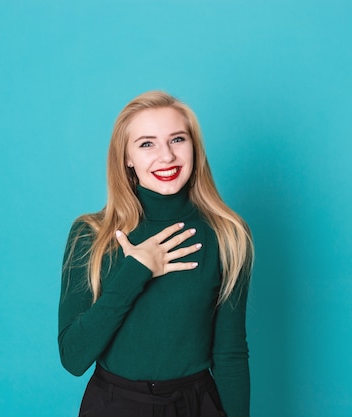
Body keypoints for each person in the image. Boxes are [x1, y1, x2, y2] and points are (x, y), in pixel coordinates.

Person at [58, 91, 253, 417]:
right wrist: (137, 269)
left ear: (194, 147)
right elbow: (73, 358)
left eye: (177, 139)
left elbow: (231, 353)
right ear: (127, 158)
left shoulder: (228, 234)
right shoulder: (91, 235)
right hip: (115, 405)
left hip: (197, 404)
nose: (166, 156)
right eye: (147, 144)